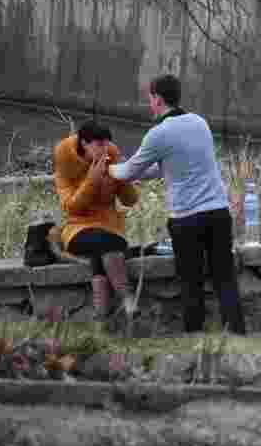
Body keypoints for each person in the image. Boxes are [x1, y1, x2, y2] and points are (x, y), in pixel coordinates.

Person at [108, 74, 247, 335]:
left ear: (158, 99)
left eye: (150, 99)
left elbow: (128, 171)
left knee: (191, 283)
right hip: (218, 213)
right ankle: (237, 333)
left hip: (187, 219)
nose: (149, 104)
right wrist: (137, 172)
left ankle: (194, 336)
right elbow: (169, 168)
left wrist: (105, 168)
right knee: (225, 279)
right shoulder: (200, 123)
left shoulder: (158, 134)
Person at [54, 121, 139, 320]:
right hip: (78, 229)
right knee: (108, 242)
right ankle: (127, 297)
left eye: (107, 143)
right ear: (84, 143)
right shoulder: (65, 160)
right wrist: (92, 181)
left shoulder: (112, 155)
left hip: (109, 227)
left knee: (101, 251)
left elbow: (130, 200)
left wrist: (122, 178)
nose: (105, 149)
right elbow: (70, 207)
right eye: (99, 144)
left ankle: (101, 314)